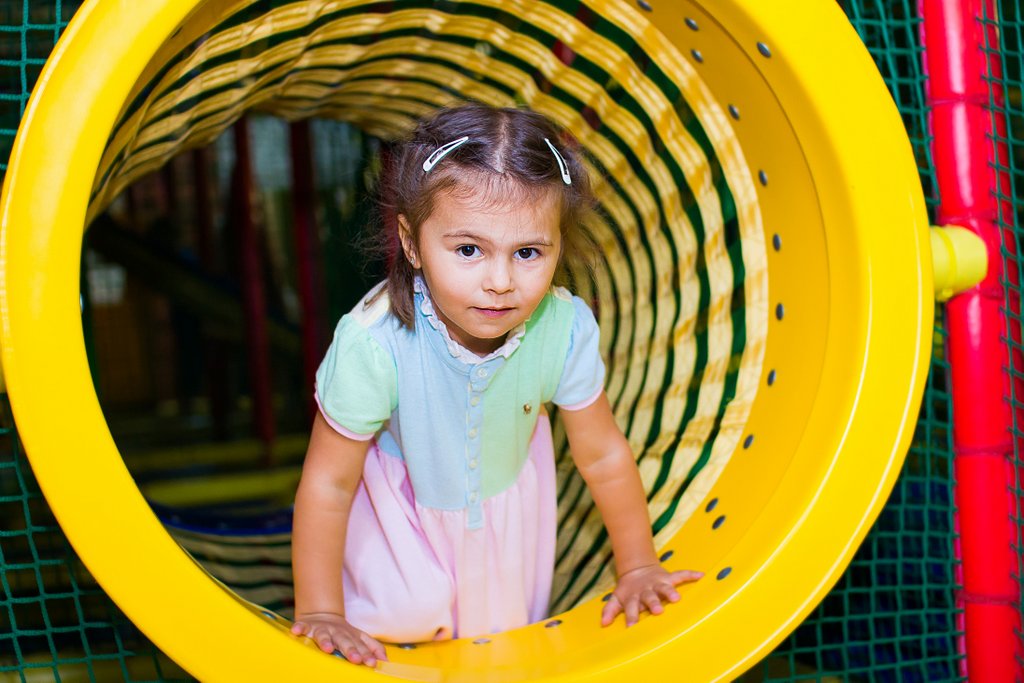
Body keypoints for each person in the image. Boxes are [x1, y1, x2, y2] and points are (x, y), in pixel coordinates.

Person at [290, 103, 702, 668]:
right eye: (468, 250)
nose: (500, 282)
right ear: (412, 244)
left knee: (500, 648)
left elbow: (602, 453)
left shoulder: (562, 326)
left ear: (558, 246)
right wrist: (320, 609)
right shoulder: (374, 342)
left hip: (507, 505)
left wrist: (636, 565)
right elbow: (329, 485)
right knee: (399, 622)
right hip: (403, 509)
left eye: (528, 252)